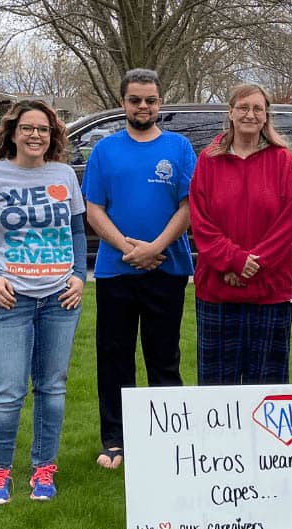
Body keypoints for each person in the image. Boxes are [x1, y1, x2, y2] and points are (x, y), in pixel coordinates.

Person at [0, 100, 87, 505]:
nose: (35, 136)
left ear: (53, 136)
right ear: (12, 132)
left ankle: (44, 470)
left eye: (44, 130)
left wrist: (80, 276)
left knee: (52, 389)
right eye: (28, 128)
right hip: (8, 301)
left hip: (60, 299)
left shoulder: (63, 173)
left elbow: (78, 231)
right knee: (8, 392)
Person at [82, 68, 196, 469]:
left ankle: (170, 438)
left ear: (159, 103)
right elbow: (93, 206)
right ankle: (116, 438)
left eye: (150, 99)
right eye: (135, 100)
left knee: (164, 356)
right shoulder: (104, 150)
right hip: (117, 270)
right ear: (123, 103)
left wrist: (156, 248)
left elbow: (189, 205)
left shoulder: (180, 148)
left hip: (167, 267)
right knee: (114, 356)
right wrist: (126, 248)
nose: (143, 106)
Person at [189, 83, 292, 385]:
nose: (250, 114)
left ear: (266, 116)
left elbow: (289, 224)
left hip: (270, 291)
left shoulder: (282, 160)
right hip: (217, 289)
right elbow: (201, 222)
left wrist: (254, 266)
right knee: (217, 390)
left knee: (266, 389)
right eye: (243, 107)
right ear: (230, 113)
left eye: (257, 109)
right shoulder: (209, 160)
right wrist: (234, 261)